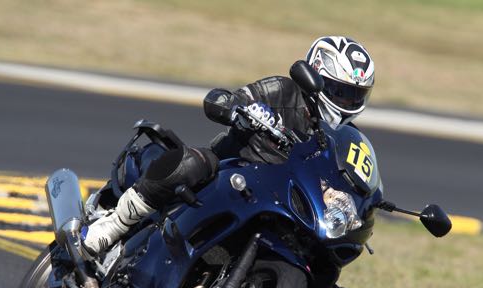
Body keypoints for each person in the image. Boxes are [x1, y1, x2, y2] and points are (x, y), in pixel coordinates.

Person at [83, 36, 375, 254]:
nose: (346, 103)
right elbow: (229, 98)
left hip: (279, 197)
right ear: (316, 77)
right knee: (196, 162)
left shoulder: (343, 137)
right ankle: (114, 224)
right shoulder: (283, 90)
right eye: (340, 92)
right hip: (231, 172)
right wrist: (236, 108)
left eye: (354, 96)